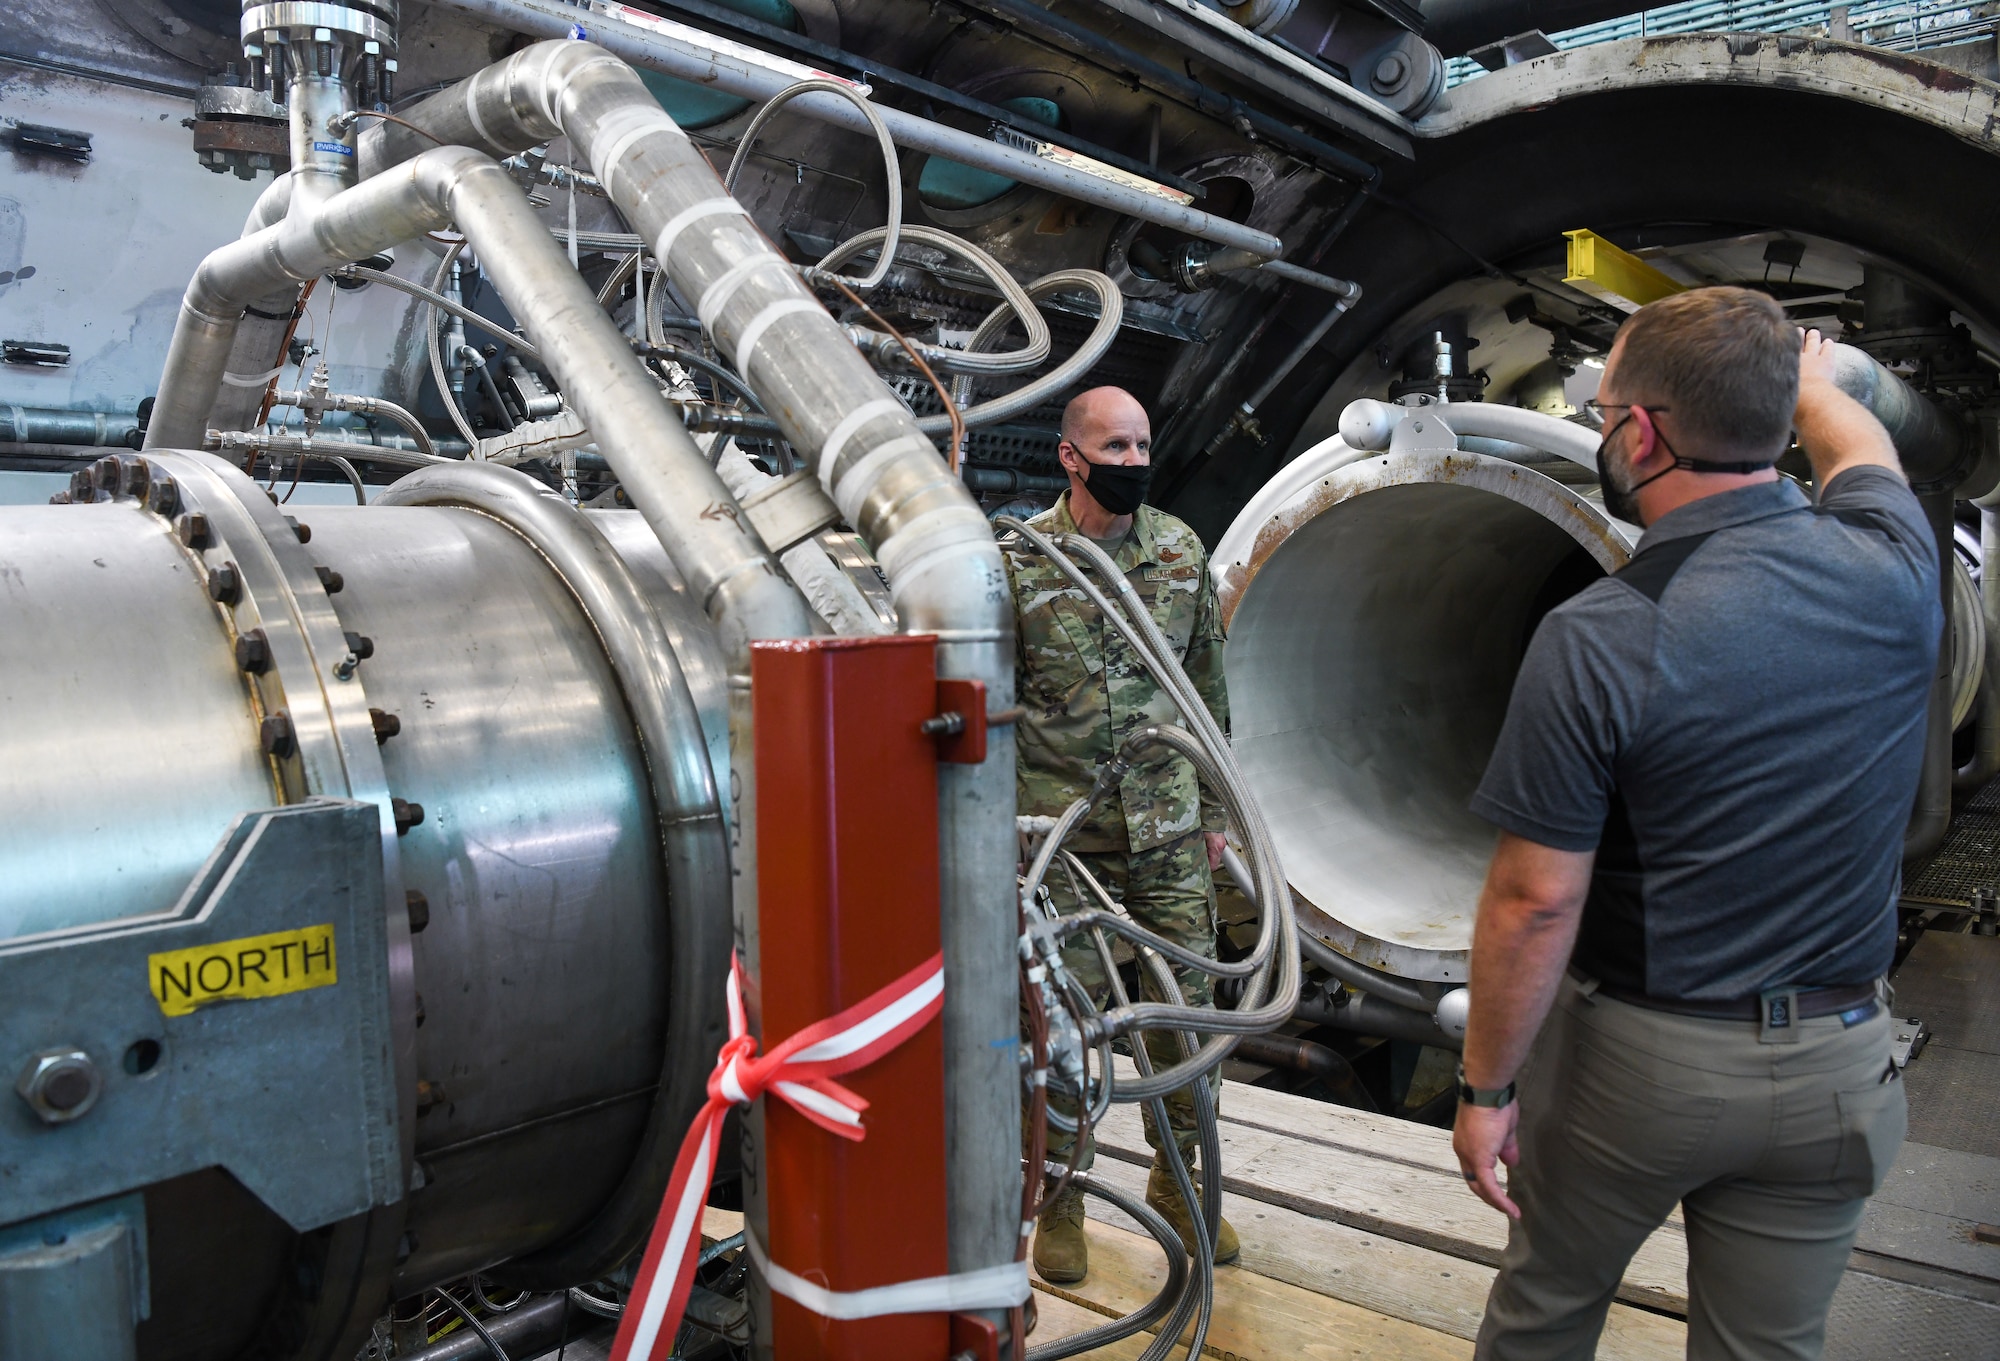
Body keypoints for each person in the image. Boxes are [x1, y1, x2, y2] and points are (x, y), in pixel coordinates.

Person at [1452, 286, 1940, 1360]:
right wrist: (1806, 382)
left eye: (1605, 408)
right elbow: (1859, 446)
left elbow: (1535, 899)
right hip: (1839, 1067)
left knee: (1545, 1311)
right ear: (1778, 419)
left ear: (1639, 431)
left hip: (1643, 1067)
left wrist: (1486, 1086)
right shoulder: (1897, 566)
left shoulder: (1599, 632)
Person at [1003, 385, 1237, 1285]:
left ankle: (1183, 1192)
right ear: (1071, 456)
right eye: (1116, 446)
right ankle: (1059, 1202)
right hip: (1064, 845)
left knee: (1189, 1021)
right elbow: (988, 708)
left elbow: (1208, 693)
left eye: (1143, 446)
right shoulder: (1021, 563)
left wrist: (1216, 812)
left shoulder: (1179, 550)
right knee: (1063, 1033)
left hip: (1170, 830)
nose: (1135, 462)